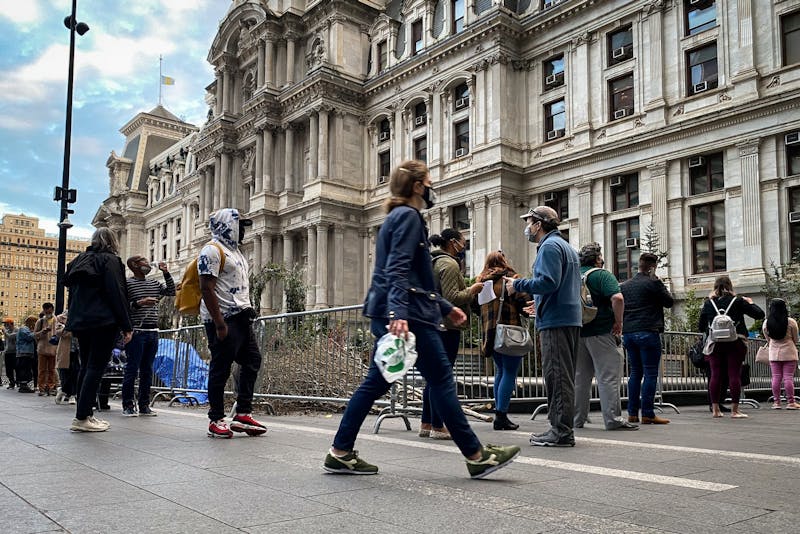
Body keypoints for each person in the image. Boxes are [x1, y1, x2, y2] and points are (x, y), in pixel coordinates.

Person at [324, 160, 520, 478]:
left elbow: (416, 277)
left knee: (375, 383)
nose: (432, 187)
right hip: (409, 316)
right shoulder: (409, 216)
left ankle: (340, 451)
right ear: (417, 186)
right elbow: (398, 269)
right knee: (441, 380)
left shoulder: (397, 217)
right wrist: (399, 314)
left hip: (405, 311)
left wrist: (444, 307)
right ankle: (476, 454)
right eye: (428, 181)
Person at [506, 206, 581, 447]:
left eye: (528, 221)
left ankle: (560, 431)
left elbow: (548, 282)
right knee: (564, 376)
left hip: (556, 321)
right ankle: (562, 429)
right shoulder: (565, 246)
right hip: (566, 317)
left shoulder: (549, 247)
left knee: (557, 376)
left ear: (539, 224)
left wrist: (517, 285)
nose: (526, 227)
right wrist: (539, 305)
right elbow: (560, 286)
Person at [199, 208, 267, 438]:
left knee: (252, 360)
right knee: (221, 368)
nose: (243, 231)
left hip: (240, 316)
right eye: (240, 226)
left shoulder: (235, 252)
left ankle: (242, 414)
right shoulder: (212, 250)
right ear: (228, 225)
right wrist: (219, 324)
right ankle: (216, 418)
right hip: (223, 319)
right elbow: (206, 288)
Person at [64, 227, 133, 432]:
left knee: (86, 367)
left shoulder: (78, 260)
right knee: (95, 367)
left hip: (81, 322)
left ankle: (85, 413)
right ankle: (82, 416)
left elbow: (72, 291)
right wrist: (126, 325)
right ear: (113, 242)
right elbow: (117, 293)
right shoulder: (110, 261)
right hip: (103, 321)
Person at [423, 228, 482, 439]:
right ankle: (438, 426)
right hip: (447, 326)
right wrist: (473, 289)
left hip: (436, 324)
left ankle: (427, 423)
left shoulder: (435, 261)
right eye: (463, 241)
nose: (464, 245)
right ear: (453, 242)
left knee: (433, 377)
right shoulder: (448, 264)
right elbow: (452, 297)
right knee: (441, 377)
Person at [573, 243, 637, 431]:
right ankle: (613, 419)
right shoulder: (602, 274)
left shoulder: (574, 275)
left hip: (578, 331)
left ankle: (577, 419)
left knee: (580, 378)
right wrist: (619, 322)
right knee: (608, 377)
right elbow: (617, 298)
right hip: (602, 331)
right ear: (598, 258)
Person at [476, 251, 530, 431]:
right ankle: (501, 415)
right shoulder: (510, 278)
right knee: (510, 372)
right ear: (504, 261)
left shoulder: (481, 281)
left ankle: (499, 414)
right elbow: (524, 304)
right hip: (509, 332)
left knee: (500, 371)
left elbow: (475, 306)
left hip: (490, 333)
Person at [698, 275, 764, 419]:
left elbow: (701, 326)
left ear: (715, 286)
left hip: (715, 344)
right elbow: (760, 315)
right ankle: (735, 410)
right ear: (730, 286)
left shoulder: (708, 303)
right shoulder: (738, 301)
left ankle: (715, 410)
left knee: (715, 375)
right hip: (736, 342)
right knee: (734, 374)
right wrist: (751, 303)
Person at [620, 252, 674, 424]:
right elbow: (669, 302)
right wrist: (658, 281)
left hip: (628, 333)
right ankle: (648, 414)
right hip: (648, 332)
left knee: (635, 373)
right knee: (650, 373)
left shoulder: (625, 285)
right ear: (652, 267)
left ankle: (632, 413)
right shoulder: (653, 283)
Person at [123, 256, 175, 417]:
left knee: (147, 370)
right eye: (144, 262)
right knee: (132, 368)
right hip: (137, 331)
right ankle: (128, 405)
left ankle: (144, 405)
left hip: (153, 331)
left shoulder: (153, 283)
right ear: (134, 265)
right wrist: (140, 302)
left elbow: (171, 291)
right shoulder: (128, 284)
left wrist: (166, 273)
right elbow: (124, 306)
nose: (147, 264)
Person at [762, 298, 799, 409]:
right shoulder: (791, 322)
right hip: (789, 351)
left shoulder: (767, 322)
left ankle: (776, 402)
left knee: (776, 377)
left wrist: (773, 344)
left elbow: (767, 338)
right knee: (788, 377)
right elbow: (795, 338)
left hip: (774, 352)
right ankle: (791, 402)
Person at [54, 311, 80, 405]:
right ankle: (69, 393)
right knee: (66, 372)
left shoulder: (80, 315)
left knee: (76, 372)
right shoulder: (60, 318)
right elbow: (59, 332)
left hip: (77, 350)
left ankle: (67, 392)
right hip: (66, 350)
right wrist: (70, 329)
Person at [34, 303, 59, 396]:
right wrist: (43, 332)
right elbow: (35, 334)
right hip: (42, 349)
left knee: (52, 370)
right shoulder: (40, 321)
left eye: (49, 311)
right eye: (45, 311)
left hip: (53, 349)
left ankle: (51, 387)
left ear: (52, 309)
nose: (47, 313)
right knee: (42, 370)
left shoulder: (57, 321)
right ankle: (42, 388)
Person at [15, 316, 37, 393]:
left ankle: (24, 385)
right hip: (24, 352)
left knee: (26, 369)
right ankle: (23, 385)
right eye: (35, 322)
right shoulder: (23, 329)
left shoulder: (27, 329)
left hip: (26, 352)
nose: (35, 324)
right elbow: (29, 337)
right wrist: (35, 332)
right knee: (24, 368)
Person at [3, 318, 17, 389]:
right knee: (8, 369)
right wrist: (5, 349)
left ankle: (18, 382)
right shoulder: (7, 331)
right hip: (7, 352)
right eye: (4, 324)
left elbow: (11, 337)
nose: (5, 325)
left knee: (16, 368)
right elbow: (6, 341)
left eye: (6, 323)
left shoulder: (16, 330)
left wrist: (5, 332)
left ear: (11, 324)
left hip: (14, 352)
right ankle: (11, 382)